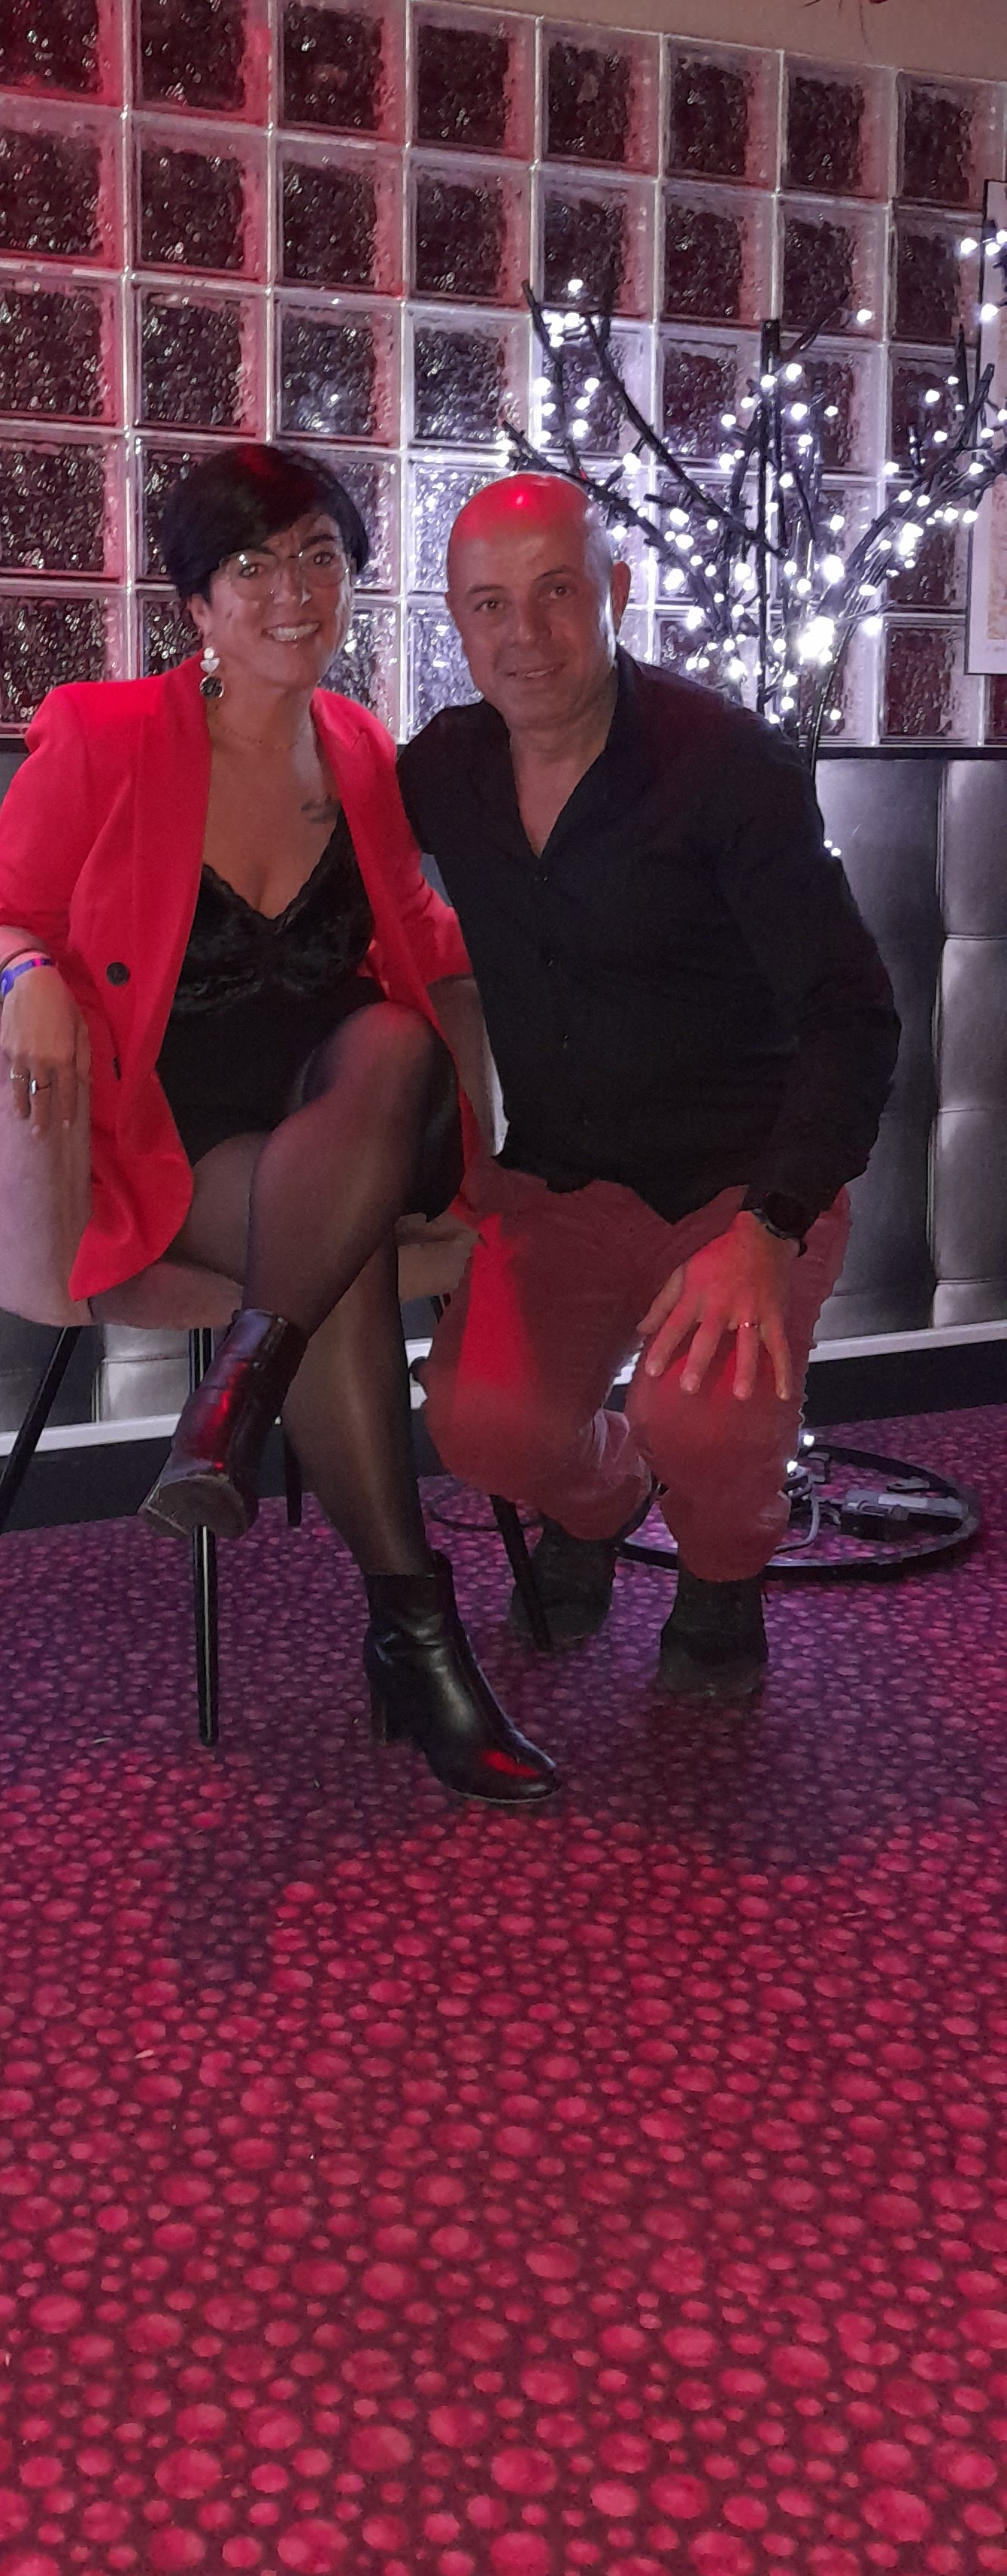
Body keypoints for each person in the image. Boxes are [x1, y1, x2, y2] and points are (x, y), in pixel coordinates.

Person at [0, 444, 557, 1807]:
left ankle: (239, 1400)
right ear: (199, 607)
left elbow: (420, 939)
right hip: (195, 1145)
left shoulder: (364, 752)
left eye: (319, 558)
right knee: (325, 1255)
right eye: (253, 565)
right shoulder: (102, 734)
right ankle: (412, 1629)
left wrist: (561, 943)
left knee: (394, 1042)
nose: (294, 592)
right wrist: (26, 972)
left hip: (370, 1105)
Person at [398, 472, 900, 1701]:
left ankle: (722, 1570)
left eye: (558, 593)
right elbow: (302, 836)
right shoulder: (447, 771)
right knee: (478, 1427)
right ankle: (605, 1499)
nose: (525, 635)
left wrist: (770, 1230)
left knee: (709, 1429)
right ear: (456, 623)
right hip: (565, 1180)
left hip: (741, 1187)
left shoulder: (725, 762)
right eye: (489, 605)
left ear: (616, 592)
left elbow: (853, 1015)